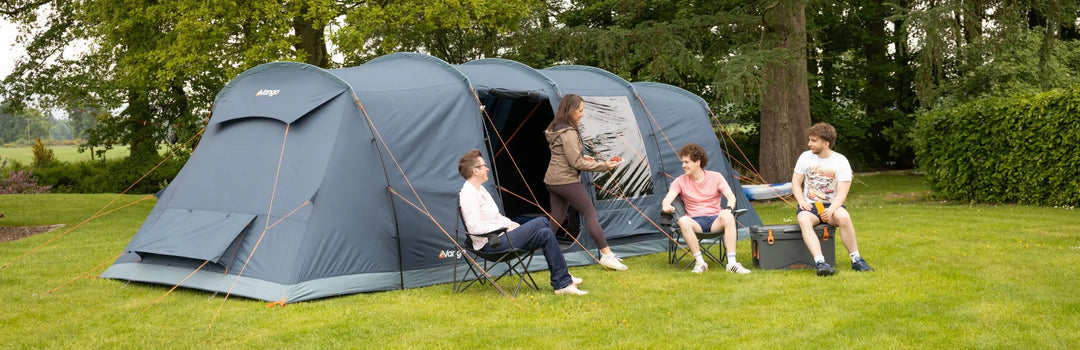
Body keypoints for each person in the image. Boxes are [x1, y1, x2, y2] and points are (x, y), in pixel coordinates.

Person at [458, 149, 587, 295]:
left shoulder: (481, 190)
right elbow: (475, 227)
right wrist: (506, 228)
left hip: (501, 237)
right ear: (475, 171)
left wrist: (514, 226)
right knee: (542, 221)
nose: (487, 168)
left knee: (545, 233)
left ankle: (562, 284)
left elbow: (497, 216)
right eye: (484, 166)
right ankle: (564, 279)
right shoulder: (468, 195)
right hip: (491, 244)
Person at [543, 94, 627, 271]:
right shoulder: (569, 132)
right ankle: (606, 255)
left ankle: (537, 247)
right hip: (565, 180)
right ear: (571, 110)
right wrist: (605, 165)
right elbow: (576, 163)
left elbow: (564, 154)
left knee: (556, 218)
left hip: (552, 180)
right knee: (590, 213)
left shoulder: (556, 127)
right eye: (580, 110)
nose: (582, 114)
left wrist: (581, 156)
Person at [791, 122, 875, 276]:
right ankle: (820, 263)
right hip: (810, 206)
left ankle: (857, 260)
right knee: (803, 220)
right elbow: (796, 183)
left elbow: (842, 194)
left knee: (844, 217)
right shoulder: (804, 157)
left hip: (832, 205)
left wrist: (831, 210)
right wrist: (801, 202)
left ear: (826, 143)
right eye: (809, 140)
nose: (809, 144)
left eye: (814, 141)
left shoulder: (841, 161)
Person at [661, 143, 751, 274]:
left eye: (686, 162)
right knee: (683, 221)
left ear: (697, 162)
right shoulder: (680, 181)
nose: (683, 165)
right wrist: (666, 206)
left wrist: (728, 208)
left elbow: (731, 197)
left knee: (728, 216)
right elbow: (668, 199)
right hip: (695, 222)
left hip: (715, 220)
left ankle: (732, 263)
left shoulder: (716, 177)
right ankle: (700, 263)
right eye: (682, 162)